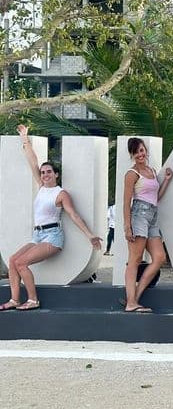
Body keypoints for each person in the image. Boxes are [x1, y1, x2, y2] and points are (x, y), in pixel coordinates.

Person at [0, 125, 102, 311]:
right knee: (13, 260)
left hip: (53, 237)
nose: (45, 174)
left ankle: (33, 300)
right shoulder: (41, 187)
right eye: (43, 172)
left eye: (49, 172)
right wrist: (25, 137)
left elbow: (73, 214)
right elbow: (33, 161)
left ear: (56, 174)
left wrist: (90, 235)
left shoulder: (60, 193)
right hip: (37, 235)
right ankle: (14, 300)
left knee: (22, 263)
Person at [122, 138, 173, 312]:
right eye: (136, 152)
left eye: (142, 150)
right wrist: (127, 226)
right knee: (134, 260)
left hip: (153, 215)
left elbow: (156, 197)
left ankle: (134, 298)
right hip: (139, 215)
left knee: (159, 257)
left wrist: (165, 180)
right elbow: (126, 201)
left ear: (146, 151)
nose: (140, 154)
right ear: (132, 155)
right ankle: (131, 302)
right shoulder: (132, 174)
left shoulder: (151, 170)